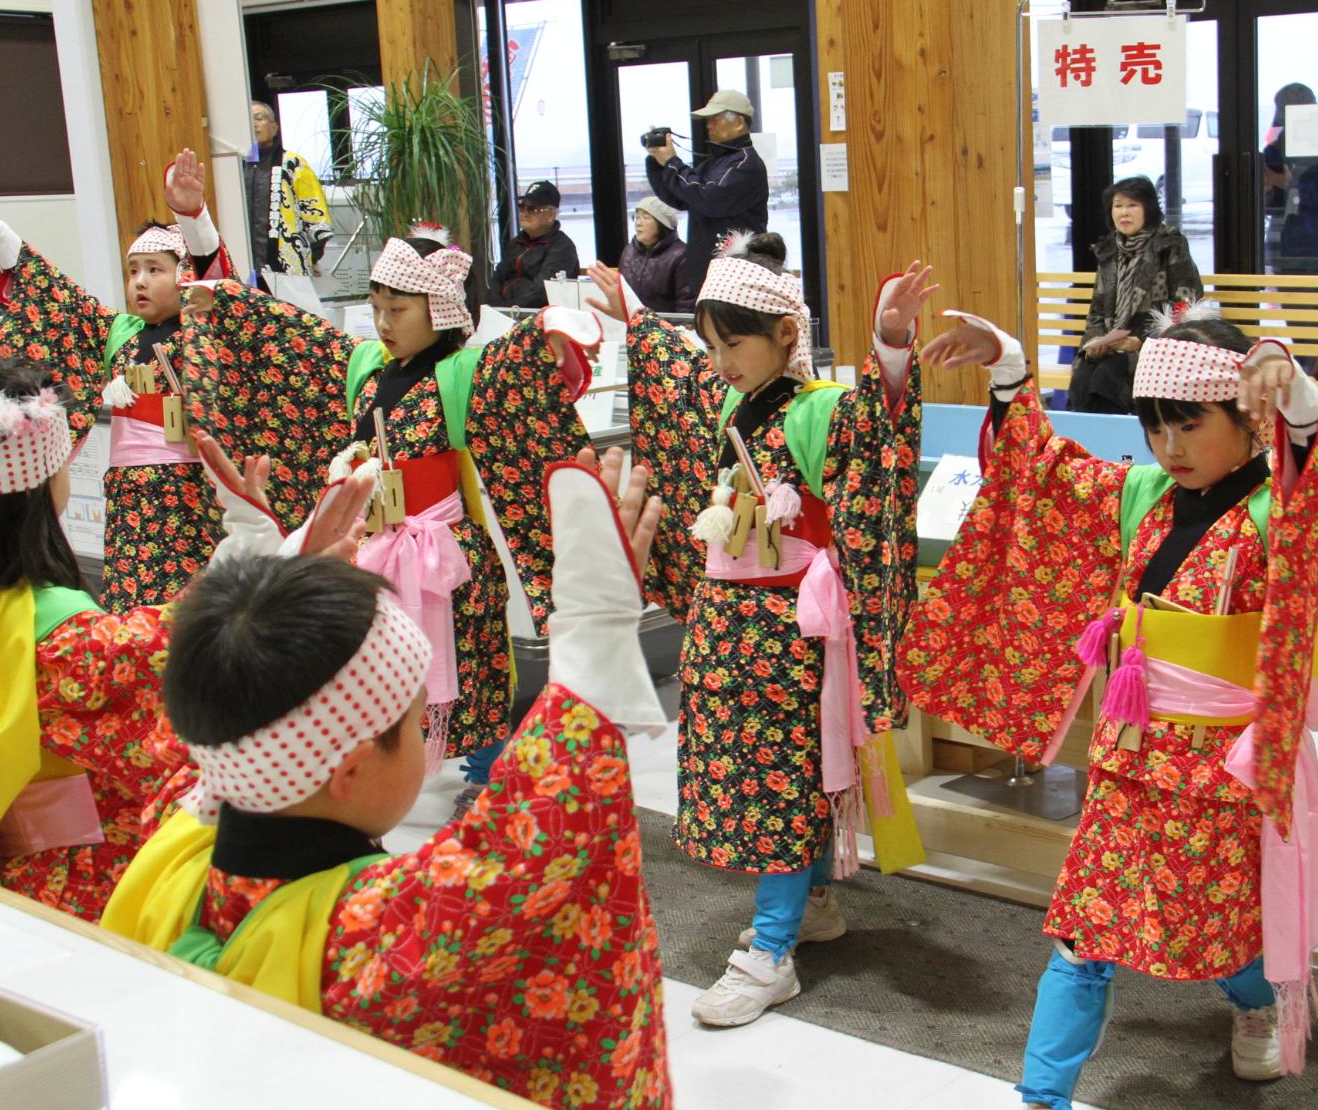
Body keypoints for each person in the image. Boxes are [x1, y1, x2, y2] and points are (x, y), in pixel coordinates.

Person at [103, 451, 672, 1110]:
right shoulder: (381, 939)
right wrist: (596, 625)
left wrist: (275, 597)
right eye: (409, 723)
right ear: (346, 765)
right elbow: (537, 844)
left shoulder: (175, 844)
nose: (422, 735)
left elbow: (215, 727)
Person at [902, 311, 1318, 1110]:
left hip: (1224, 764)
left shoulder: (1280, 511)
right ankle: (1041, 1101)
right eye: (1154, 423)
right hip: (1130, 755)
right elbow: (1041, 472)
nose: (1168, 443)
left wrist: (1295, 395)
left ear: (1248, 420)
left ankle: (1257, 1001)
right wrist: (1009, 369)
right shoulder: (1144, 495)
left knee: (1216, 927)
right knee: (1084, 926)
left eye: (1190, 422)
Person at [0, 354, 346, 920]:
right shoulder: (64, 648)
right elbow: (204, 645)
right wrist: (267, 549)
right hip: (58, 896)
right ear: (32, 488)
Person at [583, 236, 928, 1029]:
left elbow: (883, 431)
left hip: (786, 632)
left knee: (782, 780)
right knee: (775, 777)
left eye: (732, 341)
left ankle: (771, 952)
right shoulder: (729, 404)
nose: (719, 360)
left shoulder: (822, 410)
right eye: (711, 344)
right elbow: (673, 379)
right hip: (729, 621)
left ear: (782, 334)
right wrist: (636, 316)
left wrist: (893, 346)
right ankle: (810, 905)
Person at [181, 213, 600, 803]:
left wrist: (553, 329)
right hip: (372, 544)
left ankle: (489, 778)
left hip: (444, 553)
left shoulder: (461, 374)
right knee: (372, 667)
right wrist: (227, 302)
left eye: (398, 309)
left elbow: (514, 363)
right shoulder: (363, 369)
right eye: (376, 306)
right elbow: (298, 339)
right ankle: (381, 773)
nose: (383, 322)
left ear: (441, 310)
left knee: (470, 668)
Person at [0, 150, 240, 611]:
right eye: (134, 271)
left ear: (185, 275)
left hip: (190, 486)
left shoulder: (206, 321)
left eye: (155, 269)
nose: (139, 281)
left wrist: (192, 216)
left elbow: (219, 278)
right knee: (134, 604)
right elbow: (54, 295)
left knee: (197, 608)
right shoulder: (121, 331)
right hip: (129, 489)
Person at [1068, 176, 1202, 415]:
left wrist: (1142, 340)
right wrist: (1095, 342)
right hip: (1112, 347)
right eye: (1118, 206)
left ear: (1148, 209)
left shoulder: (1169, 245)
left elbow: (1185, 305)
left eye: (1132, 205)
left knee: (1106, 379)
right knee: (1084, 377)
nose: (1124, 213)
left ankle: (1118, 451)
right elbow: (1097, 312)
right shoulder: (1108, 251)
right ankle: (1089, 449)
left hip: (1156, 348)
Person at [644, 89, 770, 301]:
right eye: (708, 120)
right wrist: (658, 163)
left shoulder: (746, 164)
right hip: (709, 277)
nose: (708, 125)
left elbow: (708, 198)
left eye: (715, 119)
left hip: (738, 279)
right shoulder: (715, 163)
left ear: (738, 122)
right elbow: (680, 198)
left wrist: (671, 162)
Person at [1262, 83, 1318, 276]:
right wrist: (1266, 192)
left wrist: (1288, 183)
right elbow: (1271, 207)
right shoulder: (1275, 151)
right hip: (1284, 249)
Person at [245, 101, 333, 285]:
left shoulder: (293, 163)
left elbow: (315, 214)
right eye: (247, 119)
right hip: (244, 267)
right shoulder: (233, 168)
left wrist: (311, 256)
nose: (253, 124)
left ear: (274, 127)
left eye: (259, 118)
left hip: (287, 266)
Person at [494, 179, 582, 308]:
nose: (524, 213)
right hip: (504, 315)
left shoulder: (562, 247)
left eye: (532, 209)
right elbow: (496, 280)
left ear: (551, 214)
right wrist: (496, 309)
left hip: (540, 319)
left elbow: (543, 292)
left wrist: (511, 307)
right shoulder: (515, 243)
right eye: (522, 207)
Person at [618, 196, 690, 314]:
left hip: (666, 329)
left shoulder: (681, 255)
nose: (638, 223)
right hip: (632, 326)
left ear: (662, 224)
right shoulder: (629, 251)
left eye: (646, 217)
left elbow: (686, 305)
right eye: (636, 217)